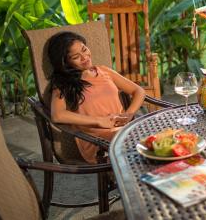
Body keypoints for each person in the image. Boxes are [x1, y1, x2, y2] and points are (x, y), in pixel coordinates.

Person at [48, 31, 146, 163]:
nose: (85, 57)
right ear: (65, 62)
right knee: (142, 145)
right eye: (76, 57)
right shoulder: (64, 84)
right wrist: (99, 121)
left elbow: (138, 91)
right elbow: (58, 115)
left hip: (123, 129)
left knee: (157, 138)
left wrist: (129, 114)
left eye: (84, 49)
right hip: (96, 140)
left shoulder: (103, 71)